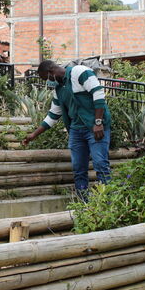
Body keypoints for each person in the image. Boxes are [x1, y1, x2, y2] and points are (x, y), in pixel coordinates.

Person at [22, 60, 112, 199]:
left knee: (100, 164)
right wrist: (34, 135)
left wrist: (98, 122)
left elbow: (98, 93)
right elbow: (53, 115)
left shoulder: (80, 72)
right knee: (78, 169)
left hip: (95, 128)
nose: (48, 82)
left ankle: (109, 202)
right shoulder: (59, 90)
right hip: (76, 131)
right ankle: (84, 203)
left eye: (46, 78)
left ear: (51, 72)